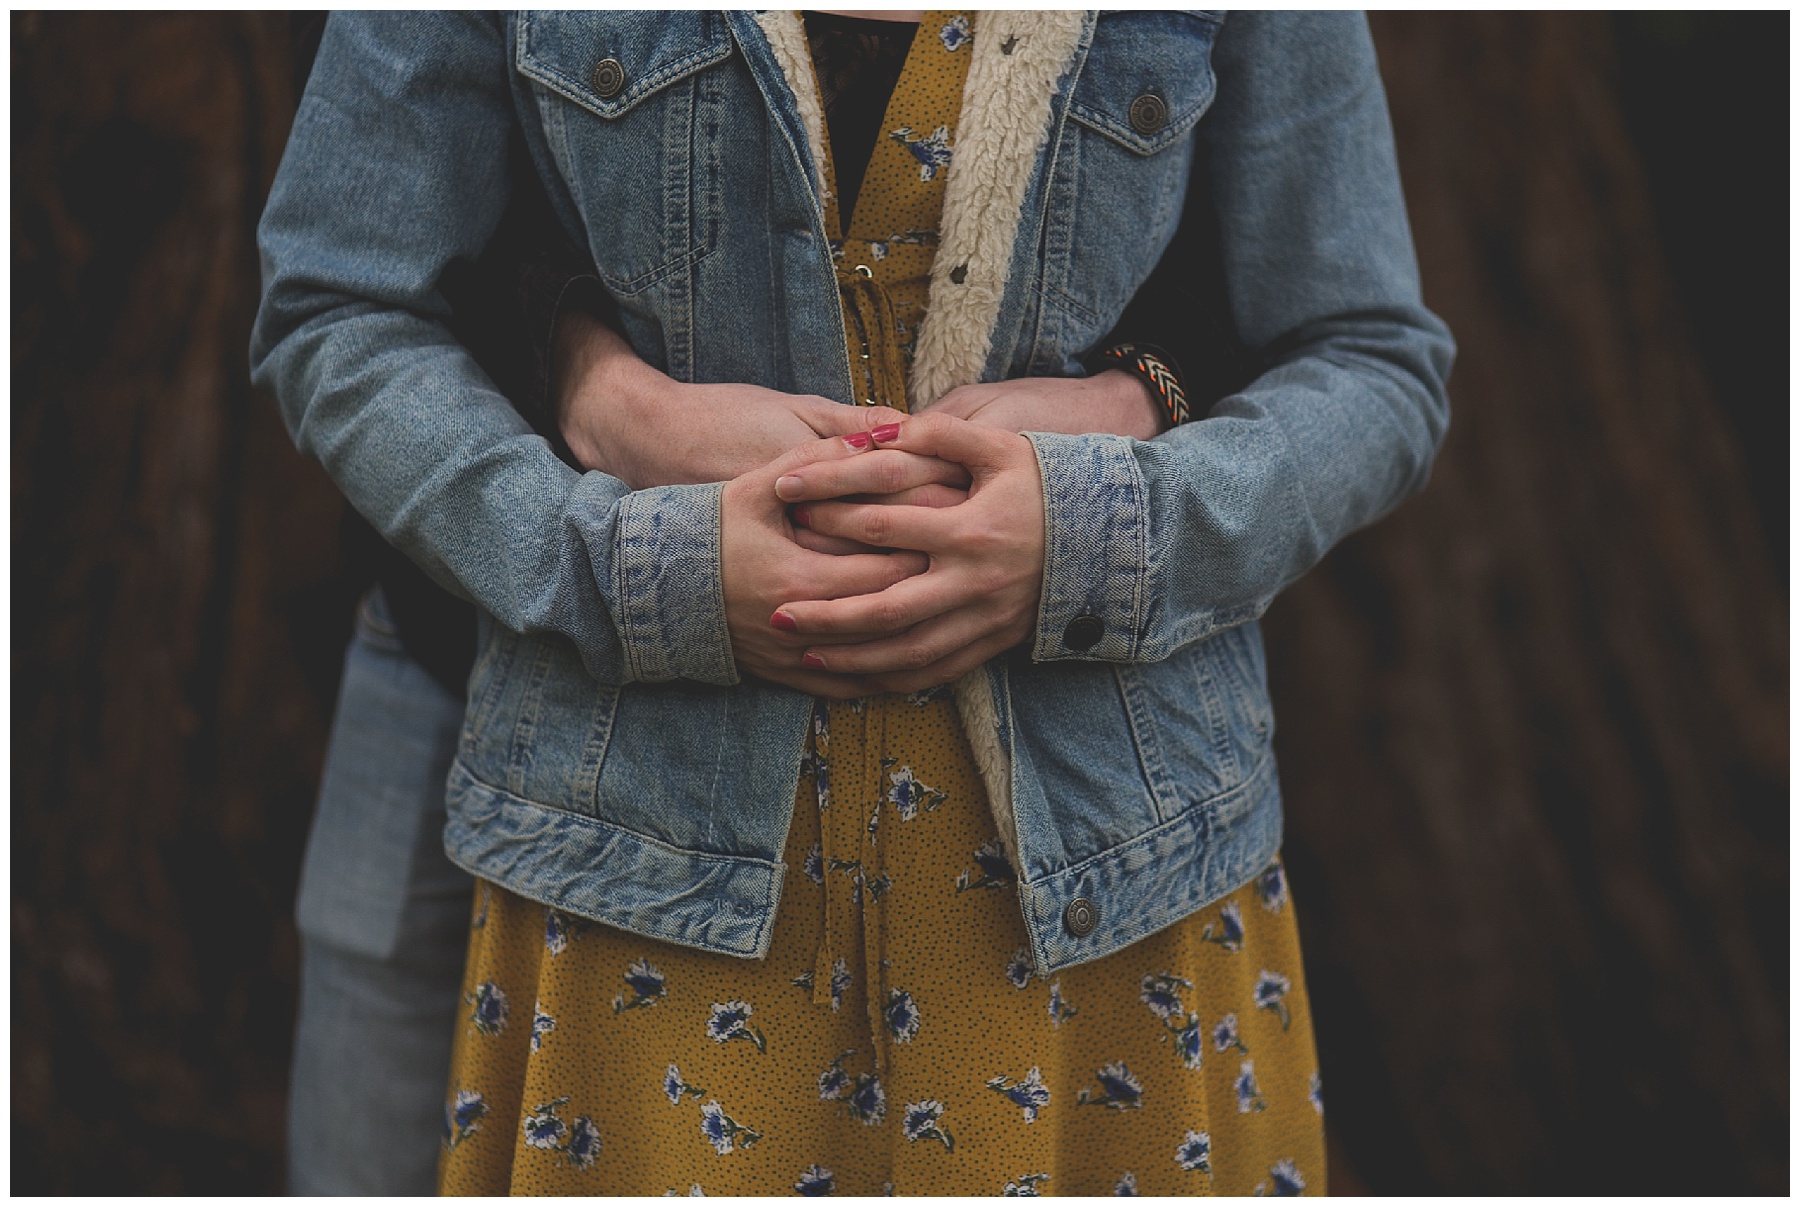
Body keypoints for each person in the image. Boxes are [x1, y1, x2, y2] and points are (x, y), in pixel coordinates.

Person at [254, 10, 1451, 1195]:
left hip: (1112, 903)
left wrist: (1107, 516)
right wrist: (640, 561)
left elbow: (1366, 356)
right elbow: (346, 303)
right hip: (638, 877)